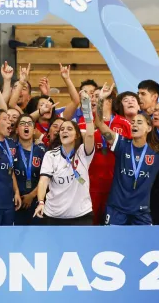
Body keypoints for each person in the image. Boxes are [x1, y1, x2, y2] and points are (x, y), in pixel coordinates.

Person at [95, 84, 159, 225]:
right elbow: (100, 124)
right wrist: (100, 100)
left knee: (144, 246)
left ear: (149, 128)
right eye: (133, 122)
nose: (134, 125)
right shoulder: (122, 144)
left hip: (141, 212)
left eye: (139, 122)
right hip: (116, 209)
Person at [33, 91, 95, 225]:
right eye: (62, 129)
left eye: (69, 129)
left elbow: (90, 135)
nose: (64, 131)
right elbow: (43, 181)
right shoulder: (51, 155)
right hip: (53, 215)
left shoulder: (83, 152)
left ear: (77, 135)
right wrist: (41, 202)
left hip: (81, 215)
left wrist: (87, 108)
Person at [88, 87, 132, 225]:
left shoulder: (124, 123)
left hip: (116, 183)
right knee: (92, 223)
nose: (94, 99)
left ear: (110, 100)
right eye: (93, 96)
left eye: (98, 96)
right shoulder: (87, 123)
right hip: (92, 183)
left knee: (111, 224)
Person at [13, 114, 45, 225]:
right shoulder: (11, 149)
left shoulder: (42, 150)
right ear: (17, 130)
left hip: (36, 201)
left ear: (34, 130)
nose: (26, 126)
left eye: (29, 124)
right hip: (15, 201)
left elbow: (46, 178)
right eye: (22, 124)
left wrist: (31, 195)